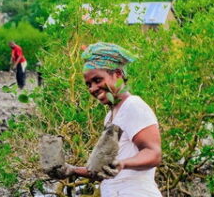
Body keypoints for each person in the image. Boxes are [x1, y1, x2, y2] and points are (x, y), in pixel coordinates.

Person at [58, 42, 162, 196]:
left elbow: (153, 153)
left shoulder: (133, 106)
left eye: (98, 80)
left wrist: (123, 164)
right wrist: (71, 170)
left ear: (118, 75)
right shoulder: (111, 116)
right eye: (88, 84)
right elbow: (104, 170)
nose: (92, 88)